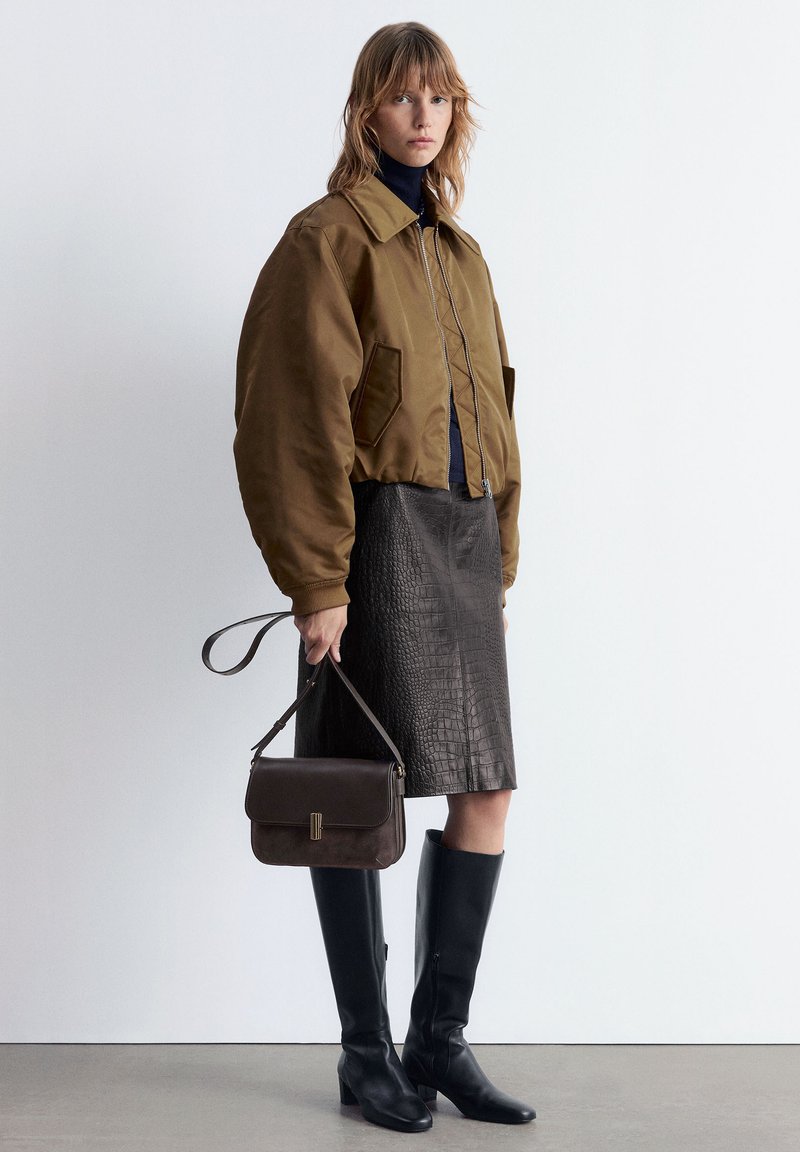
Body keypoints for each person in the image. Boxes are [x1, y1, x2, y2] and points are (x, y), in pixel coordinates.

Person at [233, 21, 534, 1133]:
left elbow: (498, 412)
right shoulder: (327, 241)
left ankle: (437, 1041)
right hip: (375, 540)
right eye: (403, 97)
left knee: (485, 787)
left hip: (462, 541)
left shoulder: (461, 254)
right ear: (366, 111)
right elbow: (289, 421)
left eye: (439, 98)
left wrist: (500, 555)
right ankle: (365, 1055)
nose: (423, 116)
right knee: (353, 794)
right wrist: (318, 581)